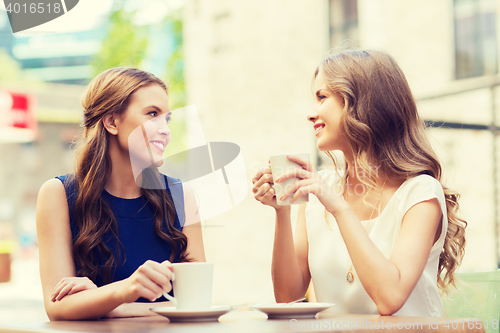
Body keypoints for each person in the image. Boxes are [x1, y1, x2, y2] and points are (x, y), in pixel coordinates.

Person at [252, 49, 467, 317]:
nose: (311, 113)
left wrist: (338, 207)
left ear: (361, 104)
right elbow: (288, 298)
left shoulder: (420, 193)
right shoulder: (320, 191)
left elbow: (389, 299)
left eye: (322, 98)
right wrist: (282, 210)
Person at [36, 67, 205, 321]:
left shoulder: (182, 196)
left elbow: (198, 301)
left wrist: (111, 304)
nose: (166, 130)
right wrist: (125, 289)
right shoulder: (58, 194)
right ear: (112, 122)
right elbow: (57, 307)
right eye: (152, 114)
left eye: (167, 119)